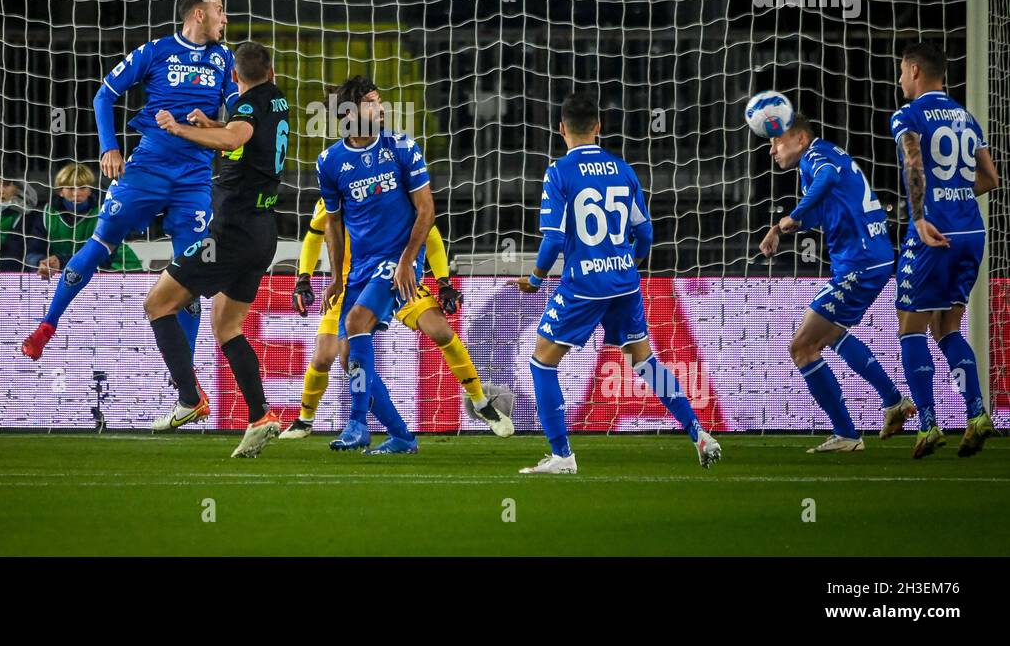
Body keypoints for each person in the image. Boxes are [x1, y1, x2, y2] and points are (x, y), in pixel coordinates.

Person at [281, 78, 513, 440]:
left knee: (432, 331)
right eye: (373, 102)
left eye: (380, 100)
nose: (383, 108)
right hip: (360, 271)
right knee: (342, 357)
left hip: (400, 264)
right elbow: (327, 228)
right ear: (351, 112)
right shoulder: (330, 163)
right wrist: (319, 278)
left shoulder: (402, 148)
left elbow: (428, 217)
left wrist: (439, 278)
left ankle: (364, 423)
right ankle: (395, 434)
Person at [21, 0, 237, 365]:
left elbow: (238, 121)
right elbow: (104, 94)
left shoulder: (224, 59)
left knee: (187, 273)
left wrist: (215, 122)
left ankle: (184, 384)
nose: (225, 17)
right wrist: (109, 146)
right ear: (198, 14)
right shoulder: (155, 51)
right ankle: (46, 326)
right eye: (219, 9)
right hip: (147, 169)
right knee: (101, 241)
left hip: (195, 179)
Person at [514, 91, 721, 474]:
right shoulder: (622, 169)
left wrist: (535, 278)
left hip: (584, 285)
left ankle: (562, 456)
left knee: (542, 362)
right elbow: (645, 233)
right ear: (598, 127)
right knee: (645, 362)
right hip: (625, 282)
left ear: (561, 129)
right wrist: (628, 262)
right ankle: (698, 432)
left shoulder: (558, 172)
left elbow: (554, 240)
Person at [143, 41, 289, 458]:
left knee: (157, 305)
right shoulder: (276, 100)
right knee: (227, 326)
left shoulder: (245, 109)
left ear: (235, 78)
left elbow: (235, 138)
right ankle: (260, 415)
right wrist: (211, 123)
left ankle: (189, 398)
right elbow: (244, 138)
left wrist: (180, 128)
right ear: (272, 73)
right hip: (263, 232)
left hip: (231, 233)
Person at [759, 114, 914, 452]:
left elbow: (826, 179)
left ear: (800, 139)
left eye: (777, 142)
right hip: (871, 256)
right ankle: (893, 400)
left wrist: (796, 214)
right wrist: (780, 227)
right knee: (830, 333)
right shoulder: (825, 155)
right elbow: (822, 208)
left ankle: (847, 433)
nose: (772, 150)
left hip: (861, 261)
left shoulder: (816, 156)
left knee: (801, 347)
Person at [890, 41, 999, 458]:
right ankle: (976, 414)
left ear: (915, 70)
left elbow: (913, 161)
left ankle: (930, 424)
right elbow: (990, 178)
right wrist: (955, 193)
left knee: (910, 328)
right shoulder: (967, 119)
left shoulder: (909, 115)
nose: (900, 79)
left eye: (902, 71)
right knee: (948, 328)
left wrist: (920, 215)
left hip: (933, 232)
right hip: (972, 231)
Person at [25, 162, 144, 278]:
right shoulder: (46, 215)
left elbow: (103, 259)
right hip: (76, 273)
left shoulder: (105, 212)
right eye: (70, 188)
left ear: (90, 190)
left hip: (121, 271)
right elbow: (32, 252)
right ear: (60, 191)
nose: (76, 193)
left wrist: (61, 262)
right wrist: (42, 263)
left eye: (82, 188)